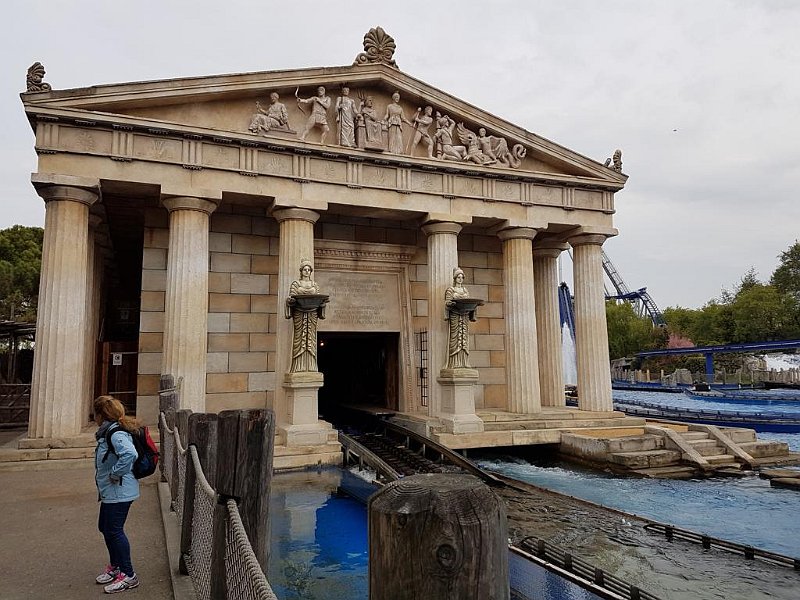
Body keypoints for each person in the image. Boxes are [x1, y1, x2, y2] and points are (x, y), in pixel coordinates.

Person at [93, 395, 140, 593]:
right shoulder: (108, 432)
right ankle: (116, 566)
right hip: (111, 491)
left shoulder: (115, 433)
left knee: (114, 530)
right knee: (105, 527)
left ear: (100, 414)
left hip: (119, 490)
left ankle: (128, 575)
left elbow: (130, 454)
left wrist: (115, 473)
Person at [285, 259, 326, 372]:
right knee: (299, 338)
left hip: (312, 313)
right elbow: (291, 299)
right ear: (301, 271)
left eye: (309, 269)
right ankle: (298, 367)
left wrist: (322, 305)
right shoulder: (296, 284)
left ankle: (311, 366)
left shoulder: (315, 285)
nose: (307, 271)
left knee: (311, 338)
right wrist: (290, 302)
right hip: (299, 313)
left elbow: (319, 299)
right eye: (305, 269)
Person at [445, 267, 473, 369]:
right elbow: (447, 302)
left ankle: (464, 362)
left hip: (464, 315)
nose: (460, 279)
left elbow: (469, 301)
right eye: (458, 277)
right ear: (455, 278)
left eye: (462, 277)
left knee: (464, 338)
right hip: (455, 315)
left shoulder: (465, 290)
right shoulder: (450, 290)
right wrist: (451, 303)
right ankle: (454, 363)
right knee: (455, 338)